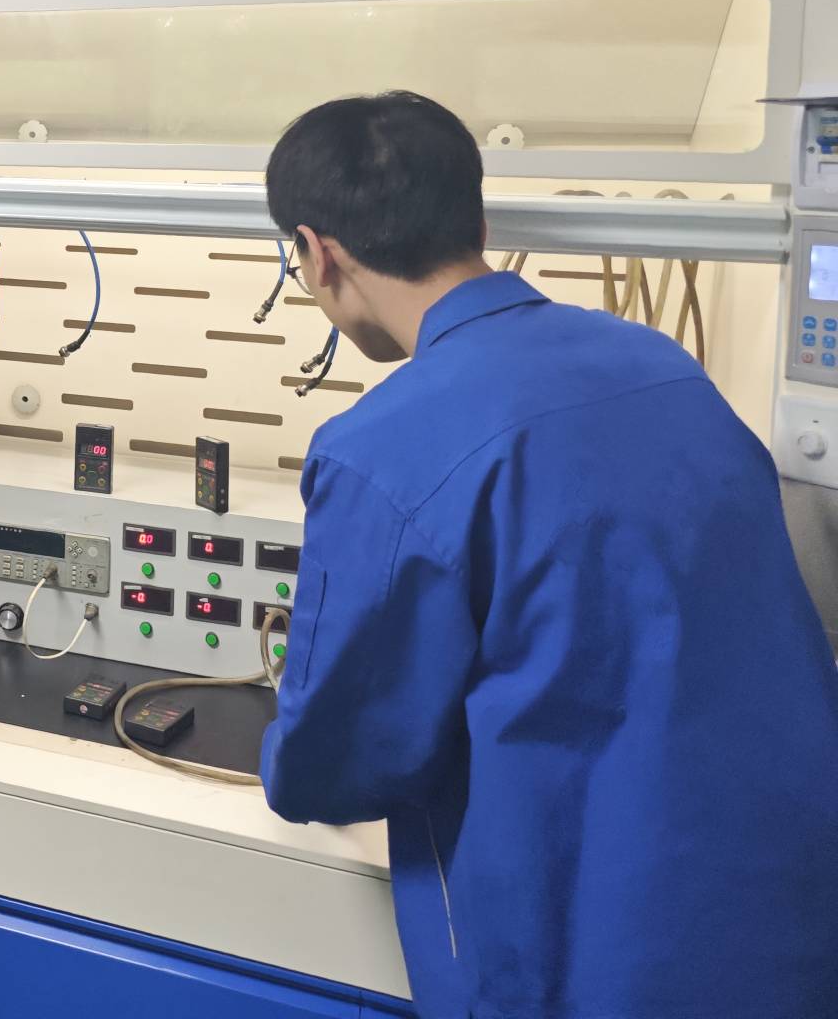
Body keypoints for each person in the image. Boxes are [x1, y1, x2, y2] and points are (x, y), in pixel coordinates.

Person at [257, 91, 838, 1019]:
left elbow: (335, 763)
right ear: (479, 223)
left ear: (316, 253)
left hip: (599, 963)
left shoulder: (381, 451)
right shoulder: (665, 367)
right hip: (790, 919)